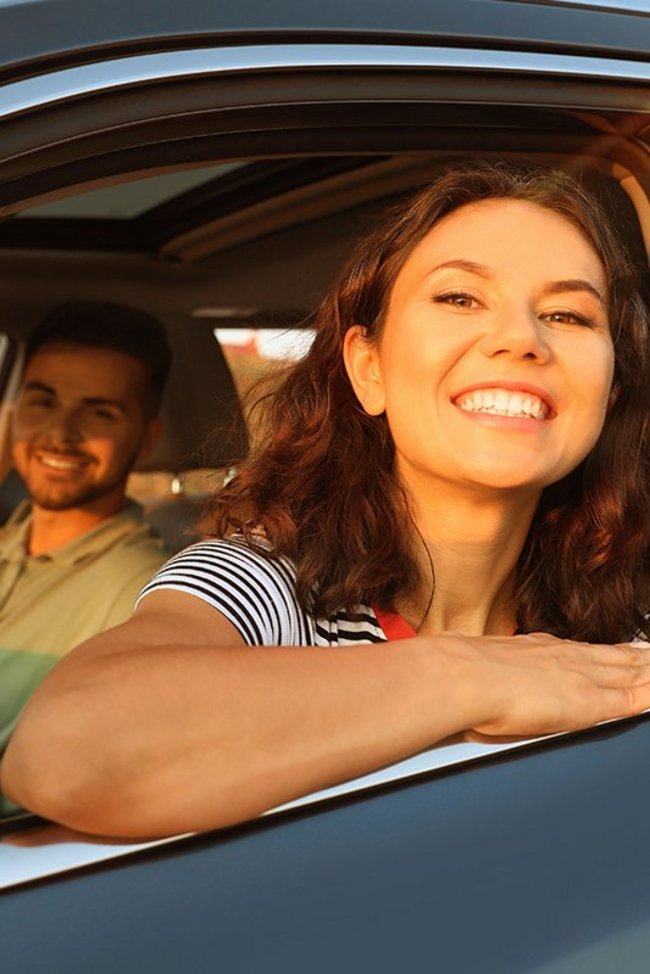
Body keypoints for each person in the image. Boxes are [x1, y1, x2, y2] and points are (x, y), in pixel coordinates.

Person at [3, 163, 650, 837]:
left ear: (607, 393)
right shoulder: (268, 583)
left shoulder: (624, 631)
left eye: (567, 314)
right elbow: (69, 752)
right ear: (369, 369)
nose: (522, 338)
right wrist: (470, 675)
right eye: (460, 298)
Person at [0, 302, 171, 812]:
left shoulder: (144, 594)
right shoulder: (9, 542)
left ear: (146, 439)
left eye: (99, 413)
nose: (60, 434)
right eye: (43, 402)